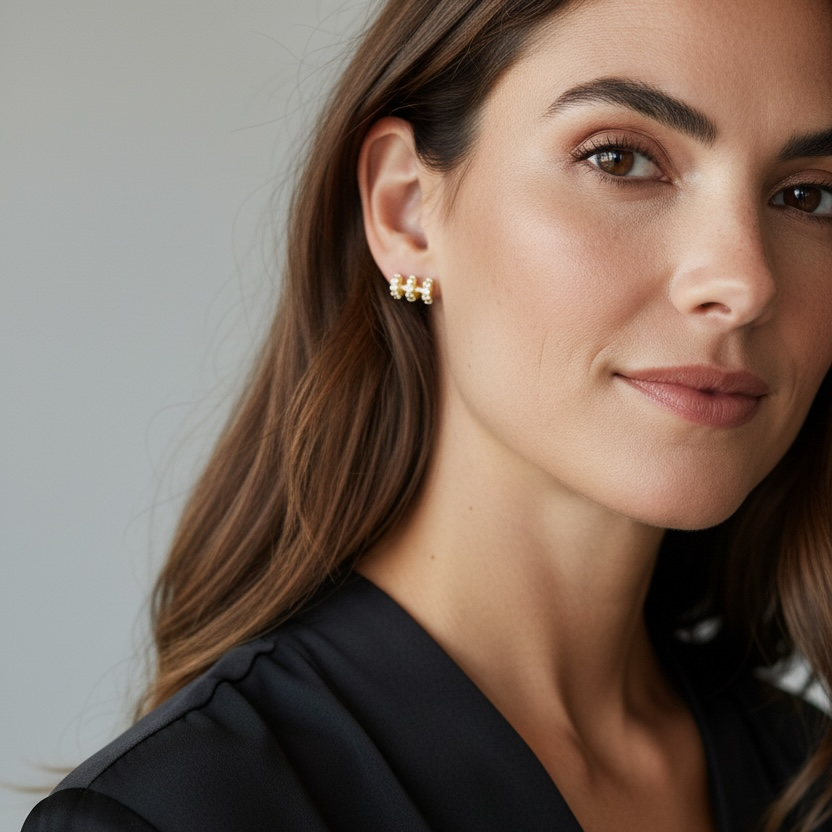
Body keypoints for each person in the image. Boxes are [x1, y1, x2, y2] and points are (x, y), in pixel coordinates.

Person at [22, 0, 832, 829]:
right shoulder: (182, 812)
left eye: (808, 196)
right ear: (406, 211)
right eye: (621, 159)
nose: (744, 284)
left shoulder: (808, 773)